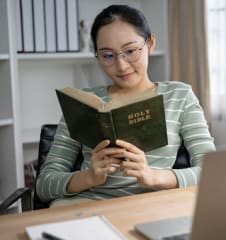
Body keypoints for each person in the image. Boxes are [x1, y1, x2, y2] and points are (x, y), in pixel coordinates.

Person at [36, 4, 215, 207]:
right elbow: (44, 185)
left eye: (130, 51)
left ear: (150, 43)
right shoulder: (83, 102)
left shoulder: (179, 96)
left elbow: (212, 172)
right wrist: (89, 177)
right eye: (107, 55)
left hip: (150, 205)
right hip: (87, 205)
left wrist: (153, 176)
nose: (121, 65)